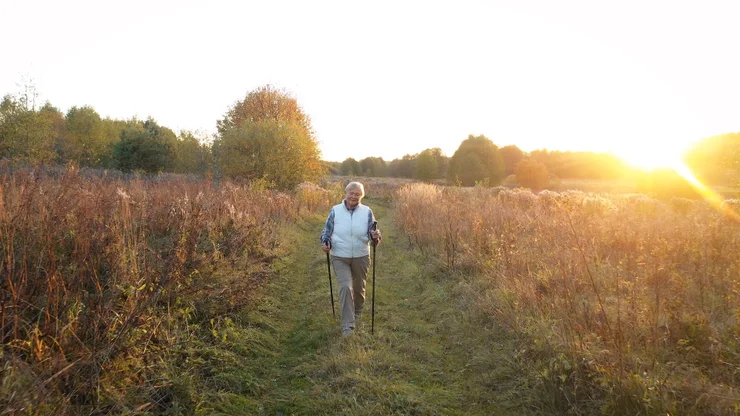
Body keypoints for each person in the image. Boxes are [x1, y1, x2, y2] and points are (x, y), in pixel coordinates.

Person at [320, 182, 382, 336]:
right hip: (339, 254)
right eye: (351, 193)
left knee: (359, 287)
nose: (354, 196)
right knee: (346, 287)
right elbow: (326, 231)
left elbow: (372, 233)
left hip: (361, 255)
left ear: (361, 196)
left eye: (357, 194)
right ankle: (348, 325)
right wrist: (325, 242)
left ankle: (357, 311)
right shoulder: (335, 210)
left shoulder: (367, 212)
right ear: (346, 193)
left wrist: (375, 236)